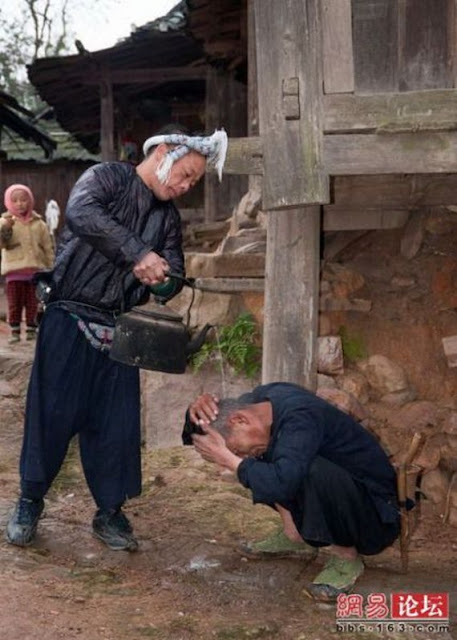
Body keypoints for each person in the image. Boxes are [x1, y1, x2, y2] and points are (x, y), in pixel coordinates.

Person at [5, 125, 228, 552]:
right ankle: (29, 501)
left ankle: (110, 511)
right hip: (68, 317)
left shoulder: (166, 218)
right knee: (51, 414)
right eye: (186, 175)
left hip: (120, 328)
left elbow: (174, 275)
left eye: (194, 182)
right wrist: (138, 254)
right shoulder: (106, 177)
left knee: (116, 424)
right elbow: (83, 214)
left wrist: (164, 282)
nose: (185, 186)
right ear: (164, 152)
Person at [183, 382, 401, 602]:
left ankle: (346, 557)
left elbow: (282, 482)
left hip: (373, 517)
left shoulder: (300, 418)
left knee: (302, 470)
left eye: (236, 448)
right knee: (261, 456)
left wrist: (232, 461)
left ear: (239, 420)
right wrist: (196, 409)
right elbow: (195, 433)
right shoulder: (261, 402)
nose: (239, 454)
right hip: (344, 498)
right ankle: (294, 531)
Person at [0, 184, 54, 343]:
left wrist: (51, 267)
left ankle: (31, 329)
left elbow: (47, 247)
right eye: (15, 200)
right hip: (14, 273)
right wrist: (6, 229)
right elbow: (2, 244)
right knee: (14, 304)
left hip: (34, 272)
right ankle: (15, 331)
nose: (19, 204)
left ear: (30, 201)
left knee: (33, 303)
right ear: (9, 202)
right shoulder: (4, 222)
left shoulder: (39, 224)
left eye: (23, 200)